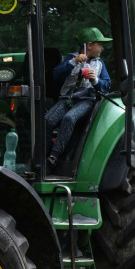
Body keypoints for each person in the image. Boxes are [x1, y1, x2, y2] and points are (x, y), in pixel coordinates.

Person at [44, 27, 112, 168]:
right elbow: (56, 75)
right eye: (100, 44)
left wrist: (95, 81)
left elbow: (106, 85)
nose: (102, 48)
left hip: (86, 100)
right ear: (89, 45)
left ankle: (54, 155)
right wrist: (74, 62)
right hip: (67, 99)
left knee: (69, 118)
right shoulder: (71, 58)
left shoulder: (99, 64)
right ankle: (42, 153)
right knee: (48, 120)